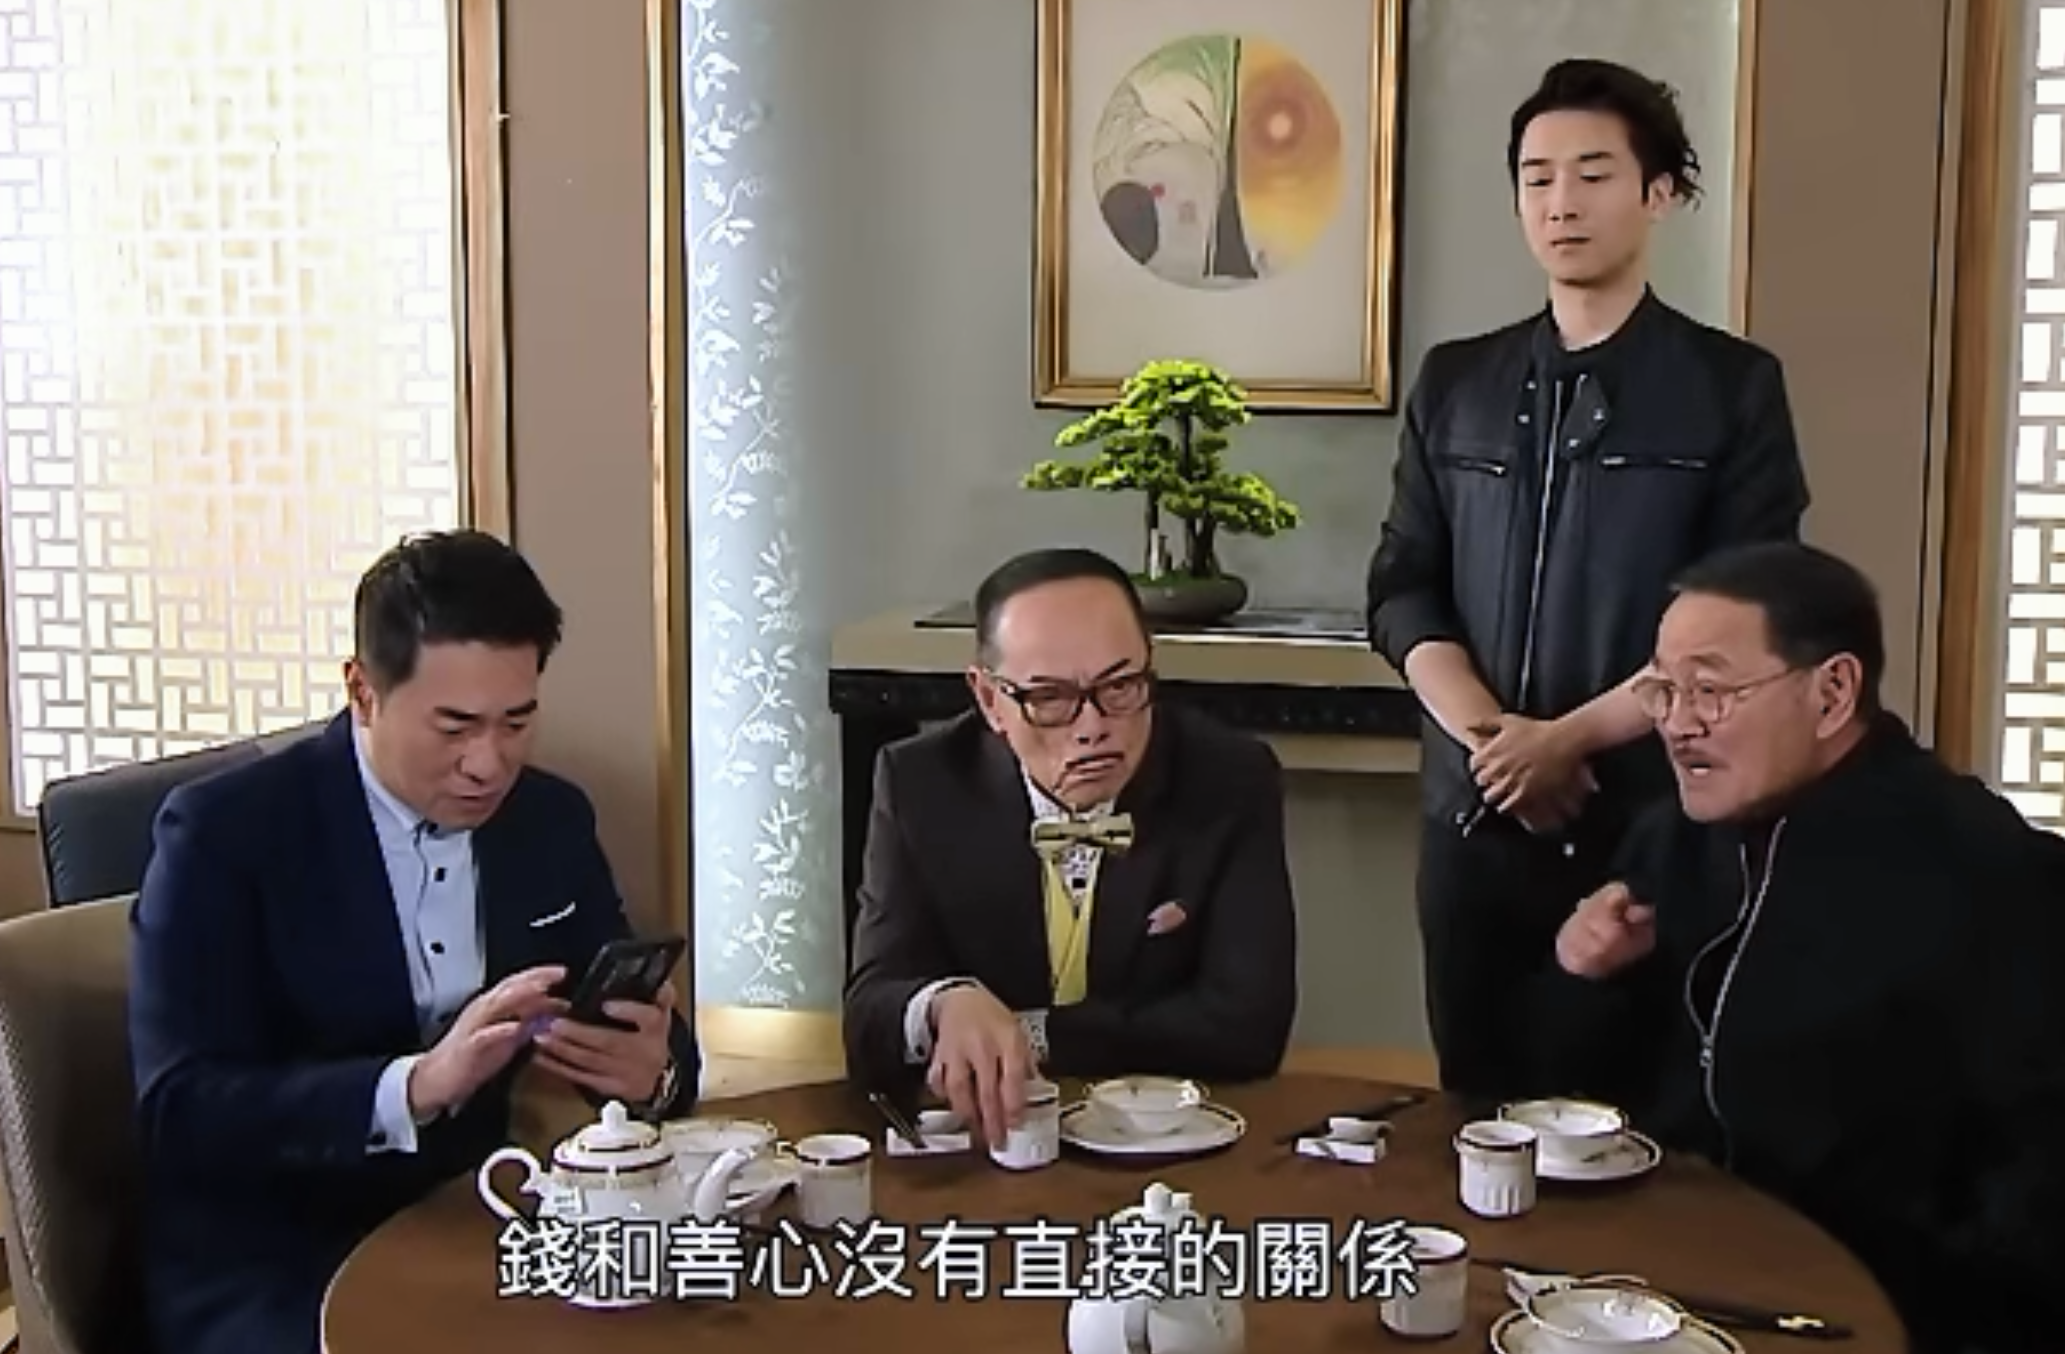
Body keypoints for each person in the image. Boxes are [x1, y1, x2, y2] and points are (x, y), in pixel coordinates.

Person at [128, 530, 702, 1354]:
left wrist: (654, 1073)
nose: (489, 764)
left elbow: (644, 1032)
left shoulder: (548, 820)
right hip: (277, 1256)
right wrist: (415, 1087)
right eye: (455, 727)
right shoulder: (226, 833)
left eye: (517, 722)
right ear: (362, 691)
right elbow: (178, 1109)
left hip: (477, 1218)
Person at [1363, 58, 1810, 1099]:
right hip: (1474, 819)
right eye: (1537, 177)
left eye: (1593, 174)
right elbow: (1401, 588)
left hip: (1651, 818)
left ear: (1659, 193)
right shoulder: (1456, 383)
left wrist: (1565, 741)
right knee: (1477, 1104)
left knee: (1635, 1118)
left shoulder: (1731, 388)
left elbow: (1744, 619)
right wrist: (1498, 746)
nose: (1560, 202)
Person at [1535, 542, 2065, 1354]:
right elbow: (1573, 1100)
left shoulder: (1978, 865)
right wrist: (1581, 976)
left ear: (1831, 692)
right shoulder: (1669, 841)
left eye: (1709, 690)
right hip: (1662, 1267)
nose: (1677, 723)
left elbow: (2034, 1165)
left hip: (1876, 1301)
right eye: (1662, 691)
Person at [842, 547, 1297, 1146]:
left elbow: (1248, 1029)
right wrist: (941, 1005)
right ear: (989, 699)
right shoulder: (920, 785)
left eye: (1121, 686)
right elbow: (868, 1019)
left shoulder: (1230, 779)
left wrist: (1031, 1033)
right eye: (1050, 699)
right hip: (987, 1140)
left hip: (1168, 1140)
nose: (1093, 727)